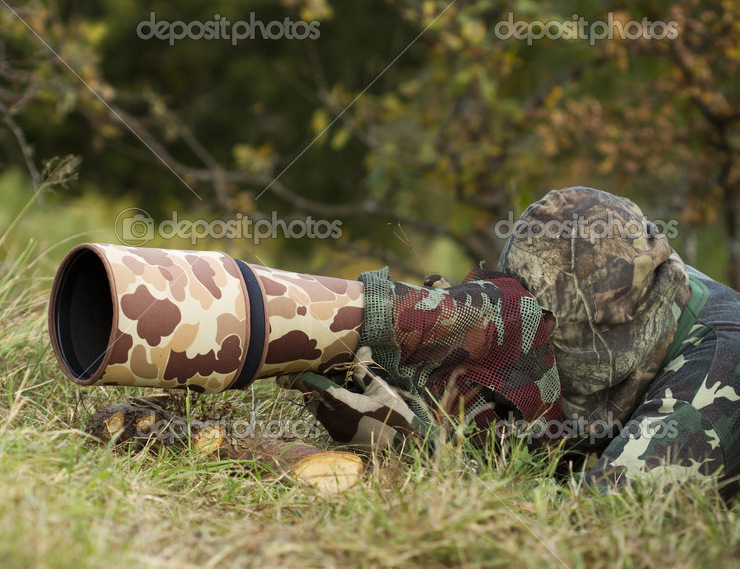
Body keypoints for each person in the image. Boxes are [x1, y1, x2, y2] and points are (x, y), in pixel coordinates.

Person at [280, 187, 740, 497]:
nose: (531, 340)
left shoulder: (721, 361)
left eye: (546, 329)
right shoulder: (633, 285)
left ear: (605, 332)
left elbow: (599, 522)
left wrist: (430, 460)